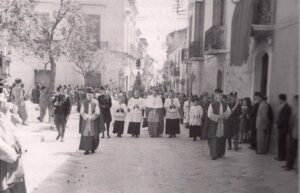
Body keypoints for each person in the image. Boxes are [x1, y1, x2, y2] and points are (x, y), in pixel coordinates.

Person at [0, 101, 27, 193]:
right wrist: (12, 155)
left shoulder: (3, 116)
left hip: (11, 160)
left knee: (14, 184)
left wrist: (17, 142)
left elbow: (13, 129)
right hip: (6, 158)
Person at [207, 89, 231, 160]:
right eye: (218, 95)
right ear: (216, 96)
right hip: (215, 124)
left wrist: (223, 116)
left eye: (221, 95)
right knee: (214, 138)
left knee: (222, 138)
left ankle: (220, 153)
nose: (220, 96)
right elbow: (209, 114)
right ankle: (214, 154)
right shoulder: (212, 104)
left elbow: (229, 112)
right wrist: (217, 117)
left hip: (222, 123)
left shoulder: (225, 104)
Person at [79, 88, 101, 155]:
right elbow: (82, 112)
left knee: (93, 134)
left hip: (93, 121)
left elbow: (98, 112)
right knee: (86, 134)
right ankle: (86, 149)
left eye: (90, 95)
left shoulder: (96, 102)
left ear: (92, 95)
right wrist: (86, 117)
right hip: (86, 121)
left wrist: (92, 117)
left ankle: (93, 148)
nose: (89, 96)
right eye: (88, 95)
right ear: (86, 95)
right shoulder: (83, 102)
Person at [275, 94, 292, 161]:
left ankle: (281, 157)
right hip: (282, 127)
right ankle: (281, 156)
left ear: (282, 99)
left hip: (284, 128)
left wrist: (278, 124)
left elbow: (284, 118)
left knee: (281, 142)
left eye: (279, 99)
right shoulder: (285, 106)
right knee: (281, 142)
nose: (278, 100)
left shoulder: (286, 107)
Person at [284, 95, 298, 171]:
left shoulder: (296, 110)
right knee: (290, 149)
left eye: (296, 100)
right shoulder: (294, 109)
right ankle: (289, 165)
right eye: (294, 100)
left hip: (295, 134)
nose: (294, 102)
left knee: (292, 150)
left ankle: (290, 165)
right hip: (292, 132)